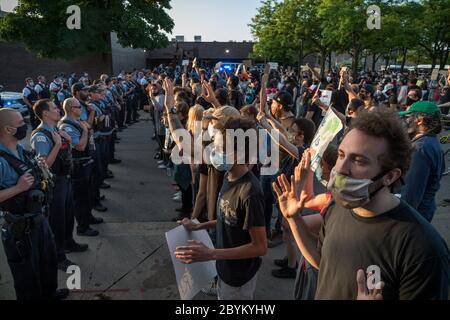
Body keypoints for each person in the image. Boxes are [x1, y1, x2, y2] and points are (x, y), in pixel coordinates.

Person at [273, 109, 450, 299]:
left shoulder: (423, 249)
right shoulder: (337, 207)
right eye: (341, 155)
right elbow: (322, 262)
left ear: (390, 176)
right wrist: (294, 219)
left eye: (358, 161)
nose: (340, 169)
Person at [175, 116, 267, 300]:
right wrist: (198, 226)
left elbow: (260, 247)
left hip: (238, 278)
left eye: (221, 149)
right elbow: (230, 218)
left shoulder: (250, 192)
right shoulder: (228, 175)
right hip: (225, 268)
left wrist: (211, 253)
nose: (215, 153)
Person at [0, 108, 69, 300]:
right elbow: (19, 187)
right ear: (8, 129)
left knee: (48, 263)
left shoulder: (20, 150)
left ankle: (49, 294)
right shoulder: (1, 161)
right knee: (27, 279)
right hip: (20, 229)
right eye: (21, 123)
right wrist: (18, 188)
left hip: (39, 219)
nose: (25, 125)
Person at [30, 99, 88, 271]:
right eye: (54, 108)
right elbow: (44, 165)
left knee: (68, 215)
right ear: (45, 113)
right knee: (57, 221)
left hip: (65, 179)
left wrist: (67, 141)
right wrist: (56, 144)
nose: (58, 110)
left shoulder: (56, 130)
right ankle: (58, 256)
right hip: (54, 184)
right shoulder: (41, 135)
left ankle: (69, 242)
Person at [59, 98, 102, 237]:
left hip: (86, 163)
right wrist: (85, 131)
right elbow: (80, 146)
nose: (81, 109)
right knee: (80, 199)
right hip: (78, 167)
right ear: (72, 109)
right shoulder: (66, 126)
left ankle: (88, 218)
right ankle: (82, 227)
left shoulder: (76, 121)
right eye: (79, 107)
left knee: (88, 195)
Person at [400, 101, 445, 222]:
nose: (405, 120)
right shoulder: (430, 142)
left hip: (415, 217)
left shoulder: (420, 149)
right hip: (424, 212)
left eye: (408, 117)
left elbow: (410, 195)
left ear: (420, 120)